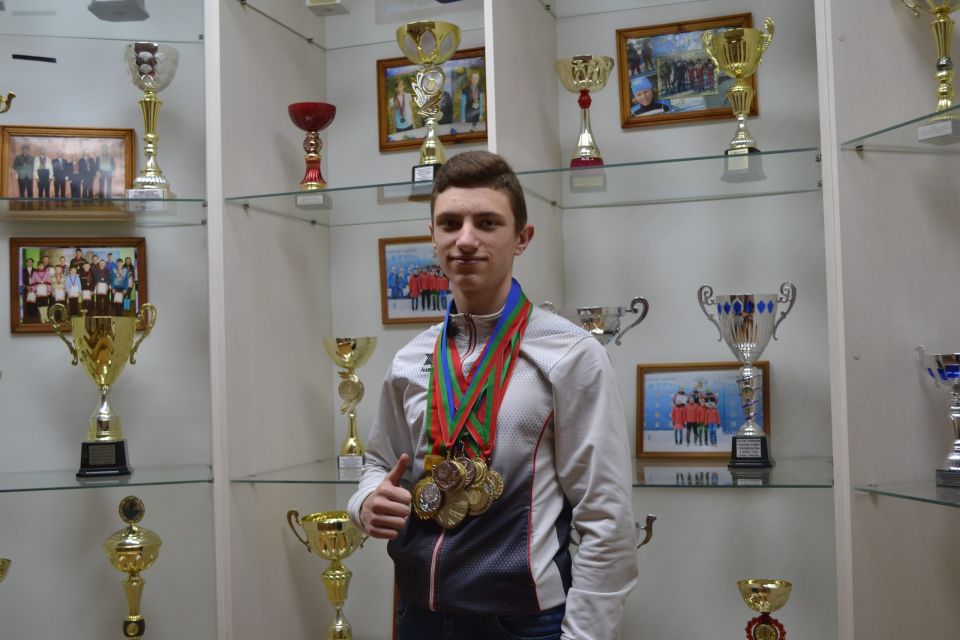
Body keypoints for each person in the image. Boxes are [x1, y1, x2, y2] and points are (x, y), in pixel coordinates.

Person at [348, 151, 638, 640]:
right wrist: (366, 501)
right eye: (450, 223)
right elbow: (378, 461)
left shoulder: (570, 354)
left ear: (522, 238)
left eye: (487, 223)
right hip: (418, 616)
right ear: (432, 235)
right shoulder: (410, 359)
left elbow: (606, 517)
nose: (465, 239)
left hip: (522, 623)